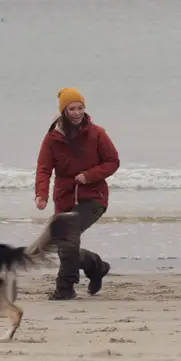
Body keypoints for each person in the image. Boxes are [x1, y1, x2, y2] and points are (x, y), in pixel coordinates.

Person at [34, 88, 120, 300]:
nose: (77, 112)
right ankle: (96, 266)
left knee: (67, 236)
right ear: (64, 111)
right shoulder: (52, 139)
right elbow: (44, 169)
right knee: (64, 245)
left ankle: (65, 288)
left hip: (93, 197)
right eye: (72, 108)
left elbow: (113, 162)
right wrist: (41, 194)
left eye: (80, 108)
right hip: (64, 198)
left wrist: (89, 175)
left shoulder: (97, 133)